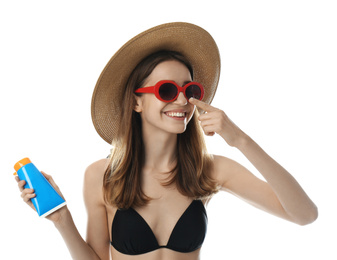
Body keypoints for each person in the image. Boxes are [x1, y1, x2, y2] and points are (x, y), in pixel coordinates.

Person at [16, 22, 318, 260]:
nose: (183, 100)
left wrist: (240, 140)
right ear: (136, 102)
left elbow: (304, 214)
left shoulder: (209, 171)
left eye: (190, 90)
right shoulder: (101, 175)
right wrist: (62, 220)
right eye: (167, 90)